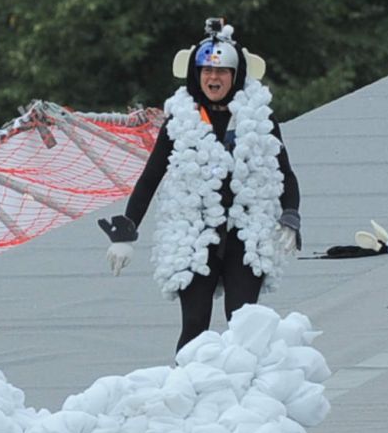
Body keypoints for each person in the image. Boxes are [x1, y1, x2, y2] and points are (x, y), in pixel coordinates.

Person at [97, 19, 301, 352]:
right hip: (193, 233)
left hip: (245, 233)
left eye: (222, 72)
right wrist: (126, 230)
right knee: (194, 325)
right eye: (206, 70)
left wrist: (290, 215)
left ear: (235, 76)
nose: (213, 78)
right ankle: (185, 394)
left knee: (244, 321)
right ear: (196, 74)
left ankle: (247, 394)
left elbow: (285, 174)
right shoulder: (180, 119)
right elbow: (151, 177)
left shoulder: (259, 117)